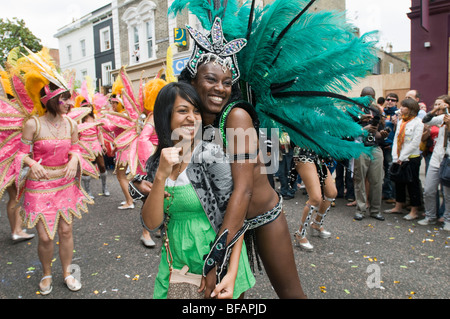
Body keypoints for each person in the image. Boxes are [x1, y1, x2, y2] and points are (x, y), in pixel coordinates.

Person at [141, 81, 255, 299]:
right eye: (183, 111)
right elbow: (151, 223)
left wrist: (227, 272)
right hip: (176, 261)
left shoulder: (210, 154)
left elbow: (236, 214)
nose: (192, 118)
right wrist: (160, 176)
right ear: (165, 116)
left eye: (196, 111)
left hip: (217, 256)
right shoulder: (156, 163)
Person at [384, 98, 424, 220]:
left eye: (404, 107)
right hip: (399, 157)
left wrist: (402, 157)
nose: (401, 108)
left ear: (411, 109)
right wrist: (396, 157)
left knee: (412, 184)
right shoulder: (401, 122)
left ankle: (414, 210)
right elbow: (396, 139)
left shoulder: (418, 123)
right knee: (399, 182)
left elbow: (414, 143)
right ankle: (398, 206)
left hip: (411, 158)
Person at [292, 146, 336, 251]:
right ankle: (300, 234)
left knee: (331, 193)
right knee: (315, 198)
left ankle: (317, 224)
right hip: (303, 156)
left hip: (318, 156)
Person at [353, 87, 386, 221]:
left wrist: (382, 134)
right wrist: (363, 127)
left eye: (372, 97)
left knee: (377, 180)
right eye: (366, 97)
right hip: (360, 147)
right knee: (359, 179)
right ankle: (360, 209)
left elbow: (378, 132)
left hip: (375, 147)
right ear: (361, 96)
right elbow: (347, 131)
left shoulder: (376, 110)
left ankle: (375, 210)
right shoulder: (352, 111)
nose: (369, 100)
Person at [418, 95, 450, 227]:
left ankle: (447, 220)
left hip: (448, 159)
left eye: (442, 105)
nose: (439, 107)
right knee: (429, 189)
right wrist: (434, 111)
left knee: (447, 194)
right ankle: (430, 216)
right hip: (436, 158)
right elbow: (425, 120)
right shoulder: (441, 118)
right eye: (437, 104)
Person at [382, 93, 399, 203]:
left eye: (393, 100)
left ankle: (392, 195)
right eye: (388, 99)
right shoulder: (382, 112)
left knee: (390, 170)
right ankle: (385, 193)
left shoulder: (397, 114)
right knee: (383, 171)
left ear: (396, 102)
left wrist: (396, 123)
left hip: (390, 146)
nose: (390, 101)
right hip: (381, 144)